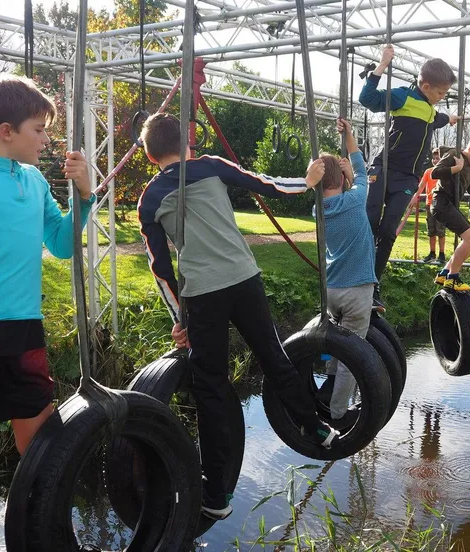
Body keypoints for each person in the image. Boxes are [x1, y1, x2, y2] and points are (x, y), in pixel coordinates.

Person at [137, 113, 338, 521]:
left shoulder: (150, 198)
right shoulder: (211, 165)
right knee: (272, 356)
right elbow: (266, 184)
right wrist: (308, 182)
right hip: (244, 279)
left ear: (149, 153)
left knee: (210, 388)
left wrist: (180, 316)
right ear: (187, 141)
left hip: (204, 295)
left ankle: (218, 494)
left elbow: (160, 267)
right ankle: (317, 427)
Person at [0, 75, 95, 472]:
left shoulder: (33, 180)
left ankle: (35, 533)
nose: (46, 140)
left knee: (40, 456)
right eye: (39, 130)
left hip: (24, 331)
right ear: (6, 132)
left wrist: (85, 195)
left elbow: (63, 246)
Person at [359, 44, 459, 310]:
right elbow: (368, 99)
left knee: (388, 231)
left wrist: (451, 118)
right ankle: (355, 275)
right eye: (440, 92)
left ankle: (373, 284)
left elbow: (437, 119)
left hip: (407, 178)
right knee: (370, 222)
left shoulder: (429, 108)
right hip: (384, 168)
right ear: (425, 87)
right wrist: (382, 65)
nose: (442, 96)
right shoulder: (404, 97)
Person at [311, 118, 376, 430]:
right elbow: (362, 170)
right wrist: (349, 136)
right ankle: (337, 413)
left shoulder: (317, 211)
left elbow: (350, 181)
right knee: (352, 354)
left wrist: (344, 177)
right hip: (358, 290)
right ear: (341, 179)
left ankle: (327, 388)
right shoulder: (355, 198)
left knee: (338, 345)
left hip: (332, 290)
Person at [430, 134, 470, 291]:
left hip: (450, 205)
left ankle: (444, 273)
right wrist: (456, 168)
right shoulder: (455, 154)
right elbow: (435, 172)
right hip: (441, 202)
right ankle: (452, 278)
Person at [421, 148, 446, 264]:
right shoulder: (428, 172)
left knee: (440, 230)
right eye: (434, 158)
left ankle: (442, 254)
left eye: (438, 158)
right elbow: (421, 186)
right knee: (431, 230)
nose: (436, 160)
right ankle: (432, 253)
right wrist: (415, 196)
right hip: (429, 204)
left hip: (441, 204)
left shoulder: (444, 172)